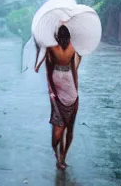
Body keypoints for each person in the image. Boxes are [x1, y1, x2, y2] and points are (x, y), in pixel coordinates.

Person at [35, 25, 81, 170]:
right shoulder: (55, 48)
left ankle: (61, 157)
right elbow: (48, 69)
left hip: (70, 91)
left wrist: (75, 88)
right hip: (60, 91)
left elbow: (73, 69)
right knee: (61, 130)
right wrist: (51, 90)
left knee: (68, 129)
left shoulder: (69, 48)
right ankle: (58, 156)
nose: (64, 41)